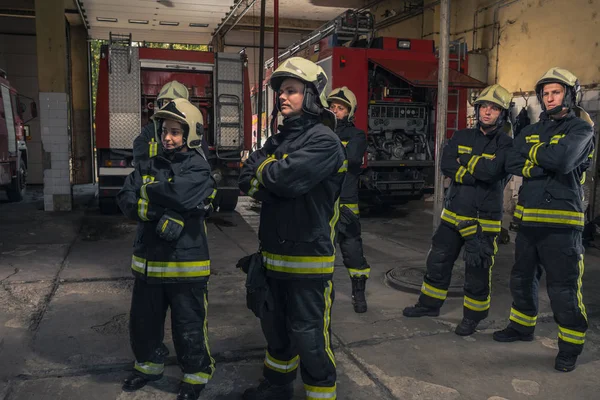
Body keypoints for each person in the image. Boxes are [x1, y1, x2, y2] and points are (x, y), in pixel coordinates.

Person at [238, 57, 346, 400]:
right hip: (272, 259)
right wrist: (268, 176)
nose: (282, 97)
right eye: (281, 91)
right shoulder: (277, 142)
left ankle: (320, 394)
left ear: (312, 96)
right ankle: (276, 386)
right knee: (276, 333)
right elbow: (247, 181)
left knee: (309, 338)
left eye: (291, 91)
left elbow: (281, 180)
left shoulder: (325, 141)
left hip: (307, 264)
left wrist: (265, 174)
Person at [494, 67, 595, 372]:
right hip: (528, 223)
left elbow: (564, 161)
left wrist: (534, 155)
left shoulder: (580, 130)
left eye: (556, 92)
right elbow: (511, 160)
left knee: (563, 289)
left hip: (562, 226)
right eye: (546, 93)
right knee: (522, 279)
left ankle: (570, 348)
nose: (550, 99)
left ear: (569, 94)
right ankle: (522, 327)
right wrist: (545, 159)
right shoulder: (530, 130)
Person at [117, 98, 217, 400]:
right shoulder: (149, 163)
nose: (168, 138)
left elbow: (179, 195)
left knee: (189, 325)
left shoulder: (198, 167)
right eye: (164, 132)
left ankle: (195, 375)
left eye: (175, 132)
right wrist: (157, 210)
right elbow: (125, 197)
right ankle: (147, 366)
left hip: (185, 266)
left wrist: (149, 195)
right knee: (143, 322)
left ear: (191, 133)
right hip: (148, 264)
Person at [403, 84, 514, 336]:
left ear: (502, 113)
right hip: (453, 216)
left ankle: (472, 317)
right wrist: (478, 170)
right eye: (484, 107)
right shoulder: (461, 136)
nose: (487, 112)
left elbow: (492, 173)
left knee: (477, 269)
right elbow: (446, 164)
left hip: (482, 221)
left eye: (494, 108)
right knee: (438, 262)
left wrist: (464, 163)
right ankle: (429, 304)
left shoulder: (507, 144)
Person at [327, 86, 370, 313]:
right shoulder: (321, 132)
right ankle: (323, 296)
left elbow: (352, 160)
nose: (335, 111)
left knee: (353, 251)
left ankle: (359, 294)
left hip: (345, 204)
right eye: (332, 107)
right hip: (322, 204)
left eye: (340, 108)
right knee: (322, 253)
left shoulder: (356, 135)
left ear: (349, 112)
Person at [133, 80, 190, 163]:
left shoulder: (192, 131)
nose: (169, 107)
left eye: (174, 103)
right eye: (166, 102)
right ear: (160, 104)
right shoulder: (150, 131)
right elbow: (140, 160)